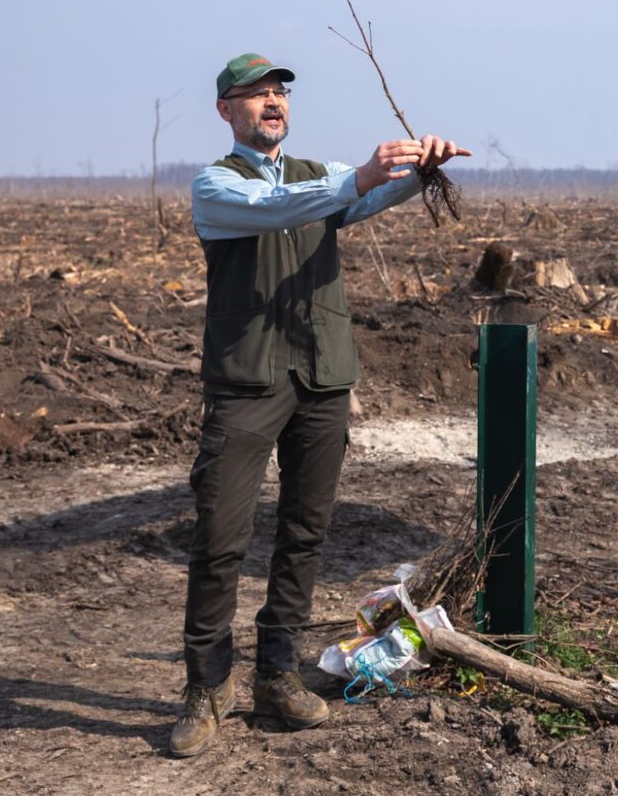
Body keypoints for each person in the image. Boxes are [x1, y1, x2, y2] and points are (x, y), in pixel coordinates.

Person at [170, 51, 470, 757]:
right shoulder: (217, 185)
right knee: (220, 541)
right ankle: (206, 689)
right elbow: (282, 207)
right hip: (248, 382)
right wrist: (358, 176)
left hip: (322, 378)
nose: (271, 102)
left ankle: (277, 678)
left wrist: (417, 171)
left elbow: (355, 201)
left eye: (279, 93)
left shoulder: (315, 177)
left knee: (304, 535)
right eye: (254, 94)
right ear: (226, 111)